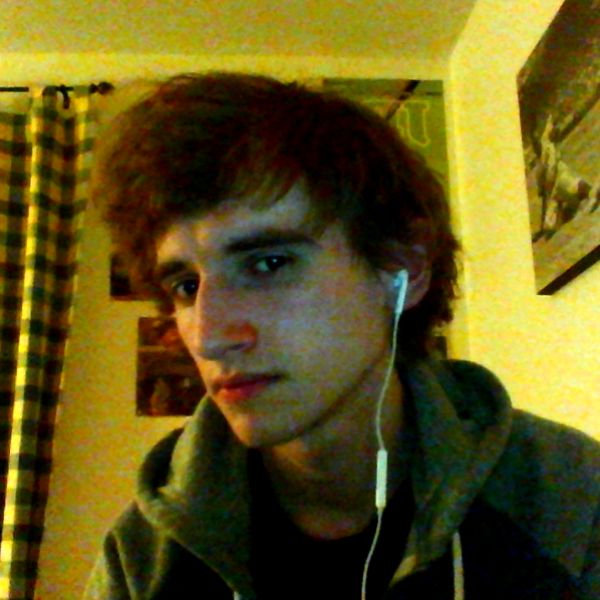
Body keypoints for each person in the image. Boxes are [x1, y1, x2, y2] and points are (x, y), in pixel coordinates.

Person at [85, 72, 599, 599]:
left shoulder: (569, 499)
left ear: (403, 268)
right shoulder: (143, 557)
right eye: (187, 286)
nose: (209, 337)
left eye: (269, 263)